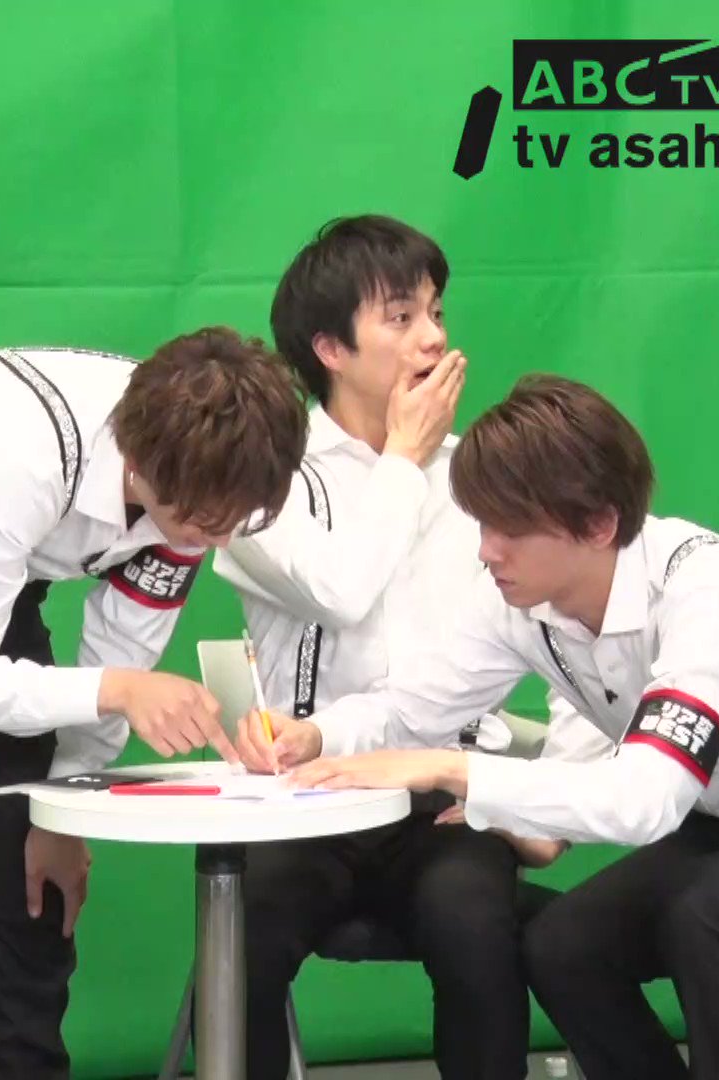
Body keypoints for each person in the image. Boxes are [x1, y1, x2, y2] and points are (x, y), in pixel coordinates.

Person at [258, 375, 719, 1080]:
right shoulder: (519, 605)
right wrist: (317, 737)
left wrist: (454, 770)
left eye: (510, 530)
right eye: (482, 524)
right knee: (562, 944)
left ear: (599, 525)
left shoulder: (712, 592)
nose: (487, 551)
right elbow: (410, 707)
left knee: (707, 913)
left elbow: (646, 800)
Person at [0, 327, 308, 1079]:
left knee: (34, 865)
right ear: (142, 463)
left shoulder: (203, 479)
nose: (215, 540)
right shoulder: (19, 455)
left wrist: (66, 806)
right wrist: (116, 690)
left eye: (235, 520)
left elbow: (124, 649)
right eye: (204, 521)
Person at [216, 214, 545, 1080]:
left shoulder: (480, 476)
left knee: (473, 921)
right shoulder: (264, 481)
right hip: (307, 795)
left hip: (439, 794)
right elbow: (341, 588)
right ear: (330, 348)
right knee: (243, 934)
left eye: (435, 312)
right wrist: (403, 457)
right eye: (401, 318)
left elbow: (553, 632)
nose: (432, 338)